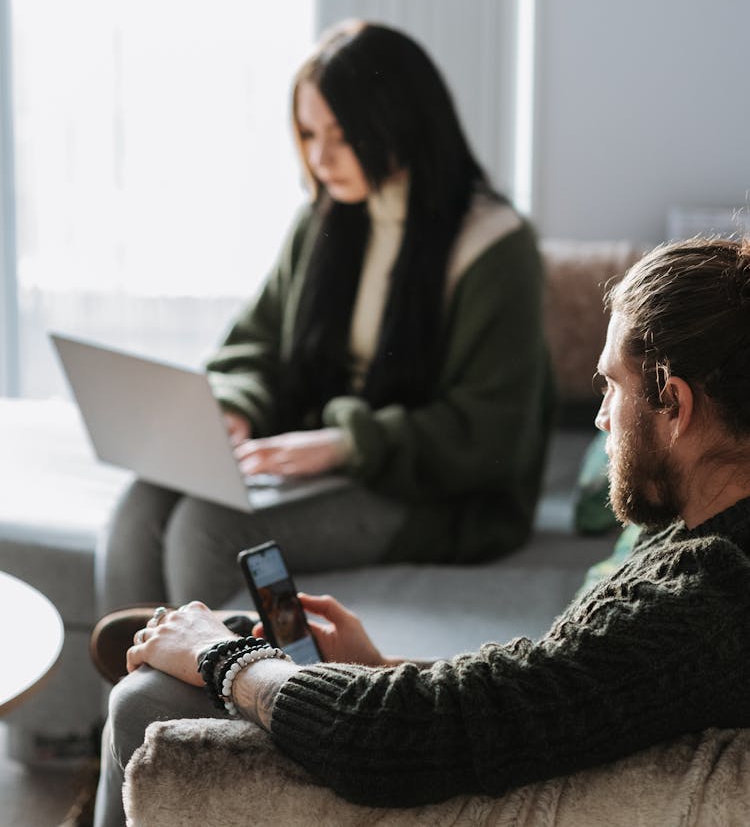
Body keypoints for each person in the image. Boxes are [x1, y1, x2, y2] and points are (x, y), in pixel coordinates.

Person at [92, 236, 750, 825]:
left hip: (418, 775)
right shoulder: (697, 540)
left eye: (612, 387)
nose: (603, 418)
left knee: (147, 700)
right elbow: (557, 693)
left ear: (676, 405)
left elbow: (395, 739)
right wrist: (378, 668)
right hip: (475, 739)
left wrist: (224, 660)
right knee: (223, 642)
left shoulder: (709, 597)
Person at [96, 19, 555, 615]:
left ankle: (235, 702)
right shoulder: (323, 220)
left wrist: (345, 445)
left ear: (404, 122)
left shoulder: (495, 246)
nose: (320, 157)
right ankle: (129, 705)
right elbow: (256, 343)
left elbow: (490, 434)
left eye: (343, 135)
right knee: (139, 509)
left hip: (438, 492)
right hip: (327, 451)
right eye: (309, 133)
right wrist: (237, 408)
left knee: (208, 530)